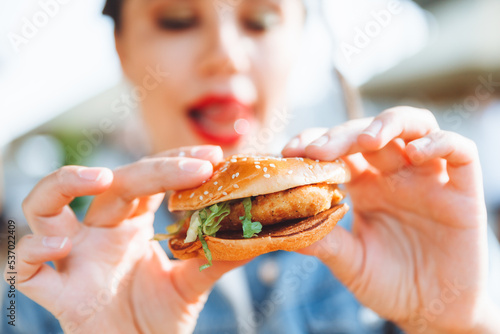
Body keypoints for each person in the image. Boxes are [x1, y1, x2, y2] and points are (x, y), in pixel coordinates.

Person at [4, 0, 500, 333]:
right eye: (177, 18)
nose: (226, 56)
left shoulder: (404, 231)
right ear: (122, 48)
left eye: (260, 20)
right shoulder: (51, 273)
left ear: (300, 38)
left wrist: (460, 320)